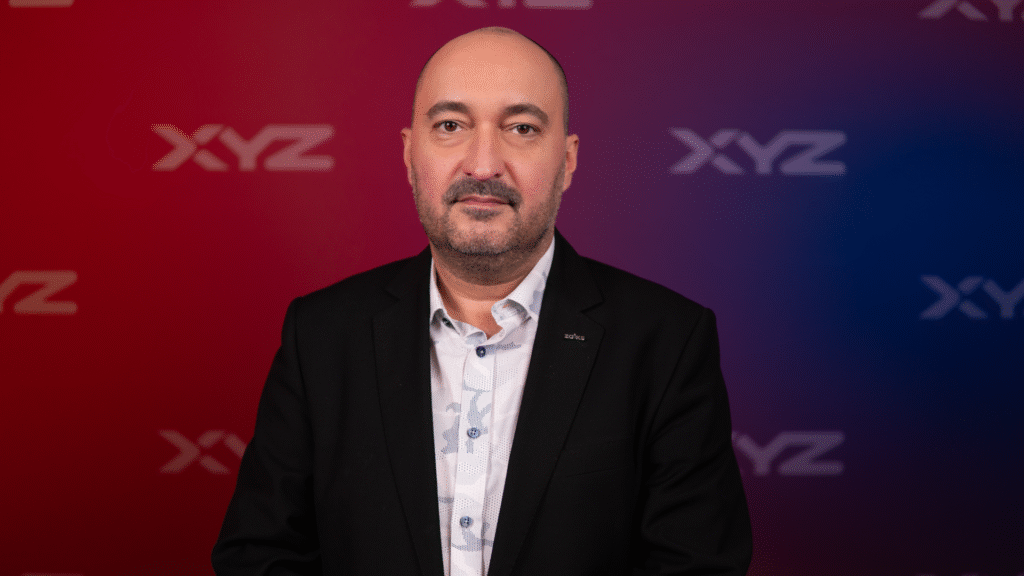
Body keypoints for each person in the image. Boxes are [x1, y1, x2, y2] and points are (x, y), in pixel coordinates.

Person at [212, 27, 752, 576]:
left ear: (567, 160)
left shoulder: (667, 342)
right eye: (451, 126)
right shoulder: (321, 336)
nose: (484, 165)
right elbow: (259, 557)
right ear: (409, 153)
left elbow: (696, 565)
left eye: (521, 128)